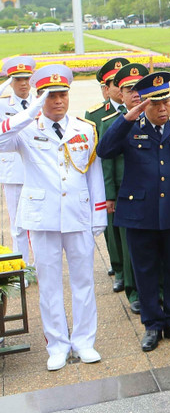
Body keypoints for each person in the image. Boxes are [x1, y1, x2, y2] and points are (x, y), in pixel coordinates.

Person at [0, 65, 106, 371]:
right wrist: (29, 111)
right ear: (38, 97)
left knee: (84, 281)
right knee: (48, 285)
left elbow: (93, 173)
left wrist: (97, 213)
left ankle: (84, 342)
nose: (58, 101)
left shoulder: (84, 129)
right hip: (42, 217)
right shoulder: (26, 128)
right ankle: (57, 345)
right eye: (50, 96)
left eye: (62, 94)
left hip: (77, 213)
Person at [98, 72, 170, 352]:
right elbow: (104, 150)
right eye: (155, 104)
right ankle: (152, 325)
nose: (162, 109)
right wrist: (128, 118)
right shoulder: (128, 127)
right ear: (144, 104)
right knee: (144, 271)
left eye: (166, 102)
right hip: (139, 213)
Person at [101, 63, 147, 314]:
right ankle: (134, 291)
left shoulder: (157, 117)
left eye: (140, 88)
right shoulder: (112, 123)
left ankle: (157, 291)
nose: (136, 94)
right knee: (130, 247)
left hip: (152, 192)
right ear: (121, 93)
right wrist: (109, 196)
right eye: (129, 89)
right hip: (125, 192)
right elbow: (107, 162)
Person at [85, 56, 128, 285]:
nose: (121, 89)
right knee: (113, 228)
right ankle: (119, 268)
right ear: (106, 89)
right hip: (107, 178)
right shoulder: (95, 115)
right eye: (115, 84)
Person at [0, 56, 35, 267]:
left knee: (40, 223)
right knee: (17, 225)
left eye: (26, 79)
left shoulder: (39, 101)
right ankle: (22, 267)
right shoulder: (3, 103)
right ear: (11, 81)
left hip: (35, 168)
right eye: (18, 79)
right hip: (13, 170)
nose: (23, 84)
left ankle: (39, 265)